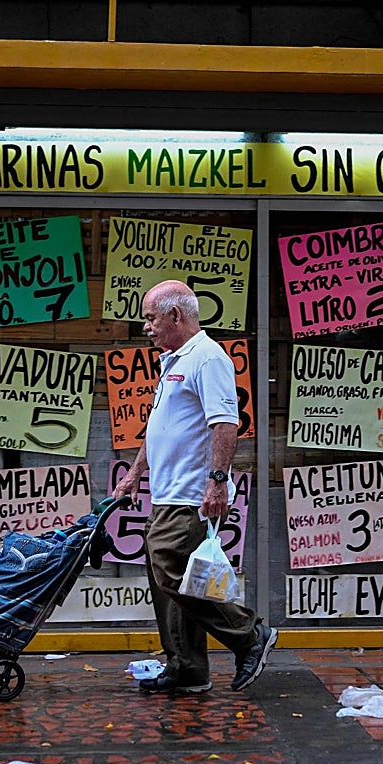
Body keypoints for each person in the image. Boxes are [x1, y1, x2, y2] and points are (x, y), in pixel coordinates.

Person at [111, 280, 276, 694]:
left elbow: (225, 422)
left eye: (150, 318)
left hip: (191, 493)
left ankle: (248, 635)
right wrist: (134, 474)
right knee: (167, 581)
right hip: (166, 491)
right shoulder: (172, 361)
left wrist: (218, 481)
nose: (145, 327)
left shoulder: (207, 357)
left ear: (175, 316)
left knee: (170, 568)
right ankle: (187, 666)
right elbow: (159, 429)